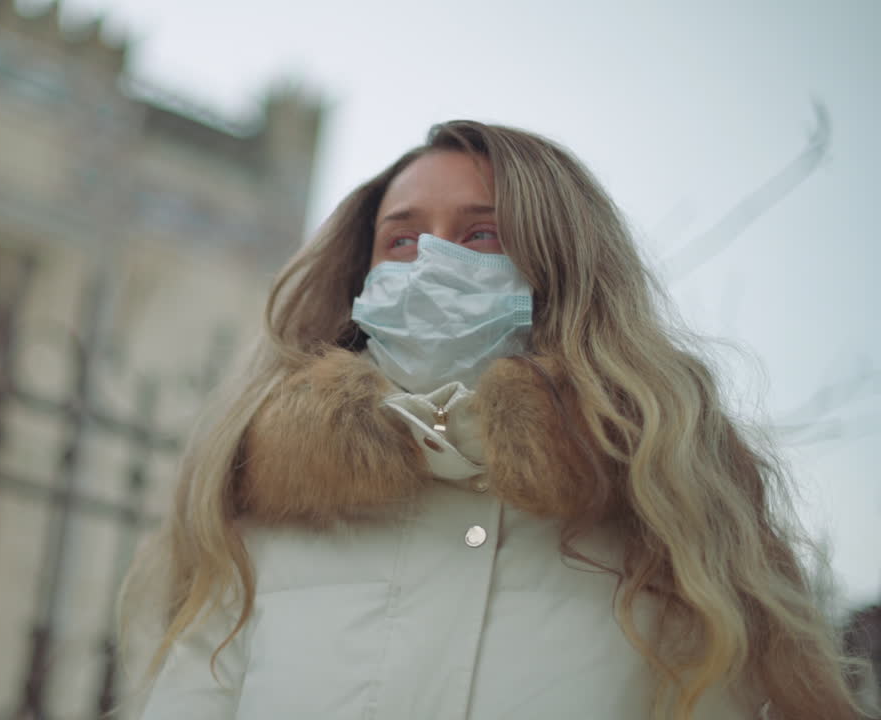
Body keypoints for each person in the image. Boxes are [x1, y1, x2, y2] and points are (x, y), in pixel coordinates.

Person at [118, 121, 866, 719]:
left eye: (480, 235)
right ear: (361, 281)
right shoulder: (264, 532)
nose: (431, 262)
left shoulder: (673, 537)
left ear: (562, 270)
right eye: (402, 240)